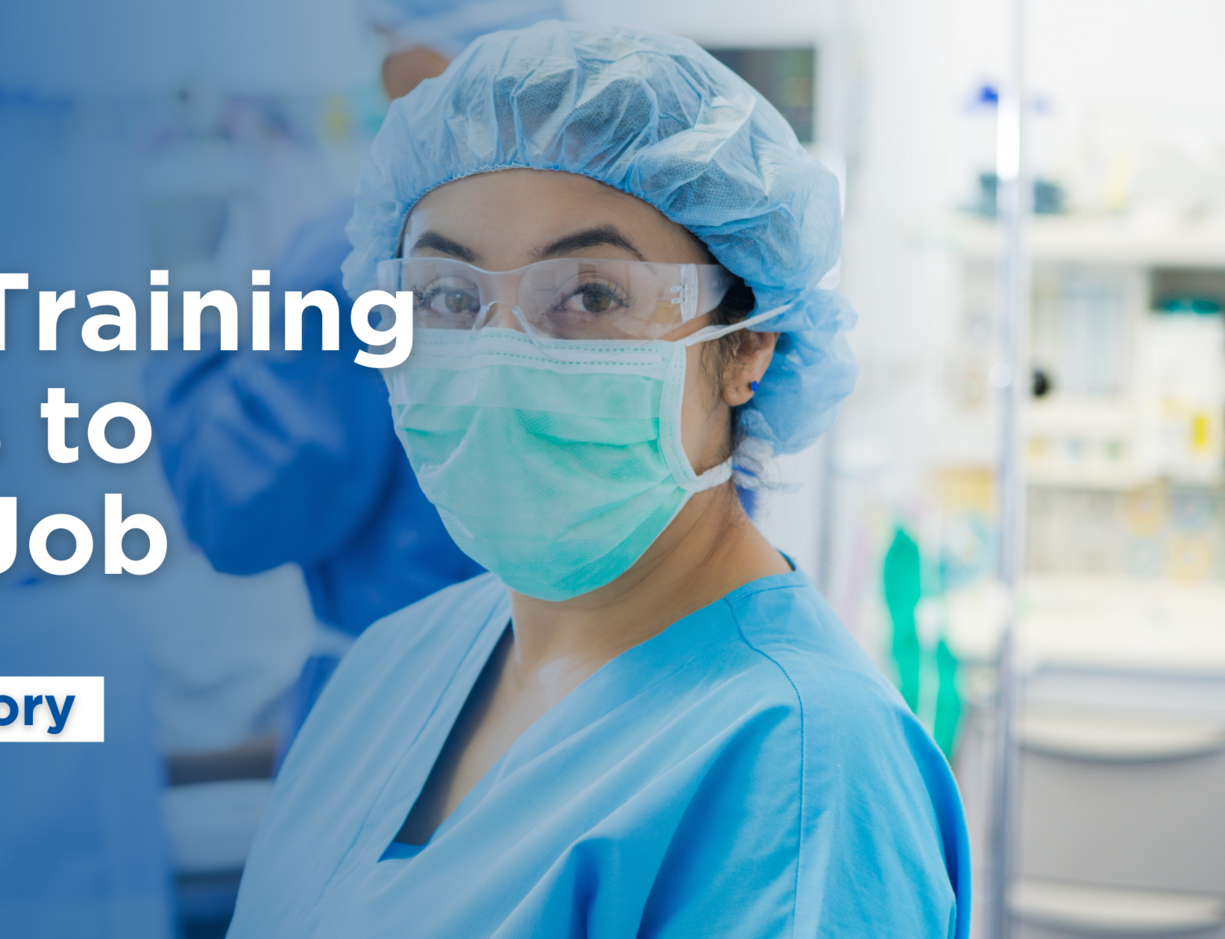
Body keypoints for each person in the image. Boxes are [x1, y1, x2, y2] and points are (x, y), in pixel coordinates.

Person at [228, 21, 969, 937]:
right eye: (448, 297)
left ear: (748, 345)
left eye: (590, 295)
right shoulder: (392, 663)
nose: (497, 358)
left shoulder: (802, 766)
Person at [142, 0, 562, 751]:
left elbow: (236, 510)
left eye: (382, 42)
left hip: (394, 727)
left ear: (422, 60)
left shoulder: (368, 254)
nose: (378, 72)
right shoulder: (610, 239)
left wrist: (186, 304)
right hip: (568, 706)